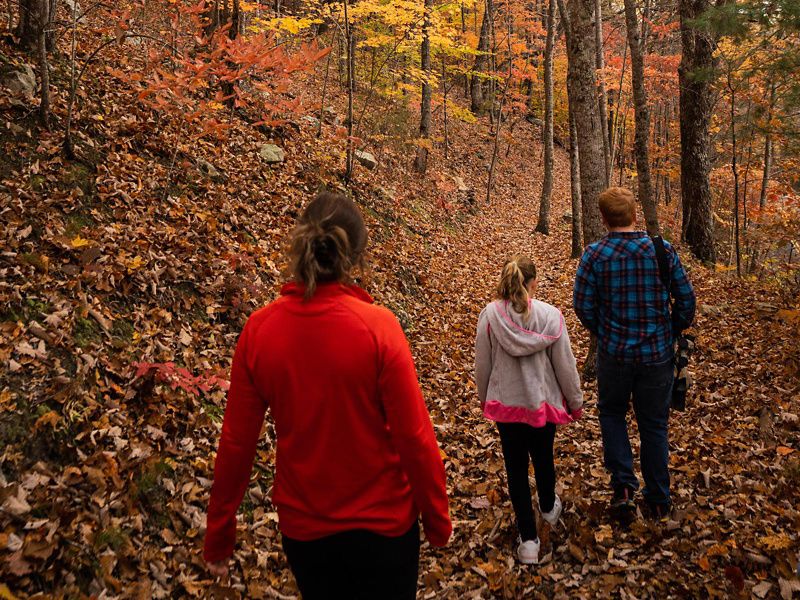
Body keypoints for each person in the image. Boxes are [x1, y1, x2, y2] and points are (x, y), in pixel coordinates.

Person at [203, 192, 452, 599]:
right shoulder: (379, 329)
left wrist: (219, 535)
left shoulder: (260, 331)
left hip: (307, 534)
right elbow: (415, 436)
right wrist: (437, 519)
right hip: (385, 531)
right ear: (355, 255)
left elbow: (236, 444)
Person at [573, 187, 696, 519]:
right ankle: (658, 498)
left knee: (612, 415)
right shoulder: (661, 250)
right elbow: (687, 300)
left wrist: (605, 331)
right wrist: (669, 330)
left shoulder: (594, 255)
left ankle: (624, 489)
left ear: (603, 219)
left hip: (614, 354)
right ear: (634, 215)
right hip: (656, 355)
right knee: (653, 424)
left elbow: (582, 305)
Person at [475, 256, 583, 565]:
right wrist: (575, 402)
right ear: (533, 283)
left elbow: (482, 364)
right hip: (541, 404)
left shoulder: (490, 316)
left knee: (516, 469)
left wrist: (486, 398)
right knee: (544, 455)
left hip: (507, 404)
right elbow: (565, 365)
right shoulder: (550, 317)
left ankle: (529, 541)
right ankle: (548, 507)